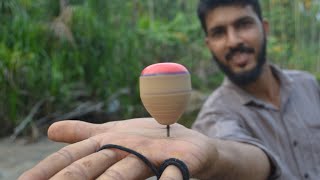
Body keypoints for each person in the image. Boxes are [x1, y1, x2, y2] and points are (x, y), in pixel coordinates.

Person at [19, 0, 320, 179]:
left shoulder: (308, 83)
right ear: (208, 45)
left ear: (264, 28)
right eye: (218, 32)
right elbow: (235, 152)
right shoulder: (216, 117)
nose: (233, 41)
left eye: (243, 24)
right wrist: (215, 156)